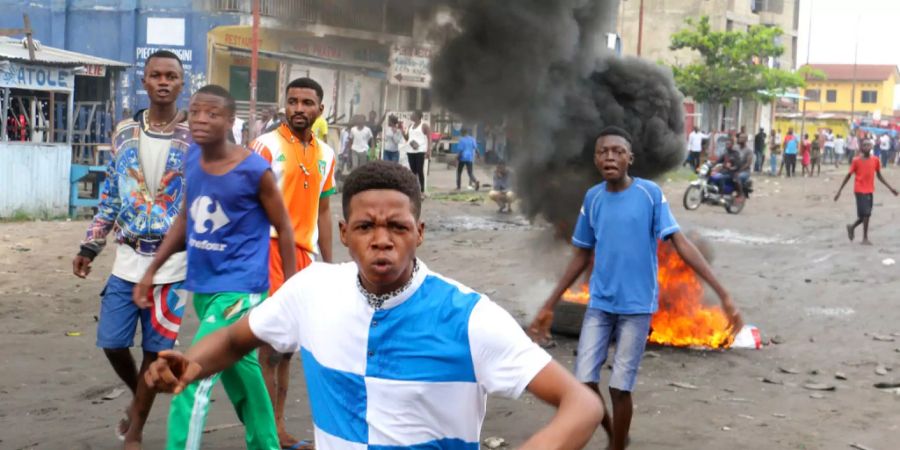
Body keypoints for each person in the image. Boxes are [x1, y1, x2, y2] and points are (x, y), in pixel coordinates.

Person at [144, 161, 604, 450]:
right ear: (343, 234)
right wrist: (191, 365)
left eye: (397, 227)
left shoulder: (468, 317)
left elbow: (582, 405)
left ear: (419, 233)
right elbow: (233, 337)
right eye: (365, 227)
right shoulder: (313, 290)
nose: (381, 240)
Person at [527, 127, 741, 450]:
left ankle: (615, 447)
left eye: (617, 151)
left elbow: (680, 243)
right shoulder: (593, 198)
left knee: (619, 388)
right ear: (596, 159)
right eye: (603, 152)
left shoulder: (649, 195)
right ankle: (617, 435)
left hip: (637, 308)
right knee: (584, 382)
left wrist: (723, 293)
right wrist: (550, 303)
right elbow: (581, 255)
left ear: (630, 158)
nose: (610, 157)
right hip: (600, 305)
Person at [134, 85, 297, 450]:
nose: (202, 120)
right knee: (244, 373)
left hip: (241, 288)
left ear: (230, 121)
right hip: (205, 287)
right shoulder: (192, 159)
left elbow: (284, 227)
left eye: (213, 113)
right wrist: (152, 270)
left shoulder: (254, 169)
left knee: (190, 376)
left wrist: (291, 286)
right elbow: (185, 220)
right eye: (196, 112)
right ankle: (267, 445)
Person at [71, 50, 191, 450]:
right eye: (155, 75)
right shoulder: (124, 131)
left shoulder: (195, 136)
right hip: (127, 258)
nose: (162, 81)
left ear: (181, 83)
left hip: (173, 265)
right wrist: (91, 243)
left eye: (170, 76)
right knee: (112, 341)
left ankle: (135, 430)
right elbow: (111, 193)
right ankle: (142, 394)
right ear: (143, 81)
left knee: (156, 352)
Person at [249, 77, 337, 449]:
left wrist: (330, 267)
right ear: (285, 104)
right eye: (293, 101)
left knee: (287, 350)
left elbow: (325, 211)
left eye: (307, 102)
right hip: (268, 251)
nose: (299, 108)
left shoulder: (327, 154)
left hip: (305, 257)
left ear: (320, 109)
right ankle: (271, 434)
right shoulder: (265, 146)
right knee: (269, 345)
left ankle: (278, 427)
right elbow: (245, 199)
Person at [834, 139, 899, 246]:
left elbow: (879, 175)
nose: (867, 147)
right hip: (859, 190)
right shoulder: (856, 161)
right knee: (866, 215)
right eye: (864, 145)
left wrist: (891, 188)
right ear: (861, 148)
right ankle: (865, 238)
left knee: (864, 215)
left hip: (869, 190)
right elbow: (848, 175)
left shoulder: (875, 160)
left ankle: (851, 227)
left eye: (869, 145)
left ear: (872, 147)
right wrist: (839, 191)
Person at [403, 110, 431, 193]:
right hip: (410, 150)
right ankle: (414, 189)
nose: (411, 116)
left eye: (413, 114)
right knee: (413, 171)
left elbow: (429, 138)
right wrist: (402, 132)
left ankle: (422, 190)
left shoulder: (424, 125)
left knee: (419, 170)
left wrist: (428, 150)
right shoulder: (410, 126)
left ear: (418, 116)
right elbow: (407, 138)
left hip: (420, 150)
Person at [736, 132, 753, 200]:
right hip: (734, 169)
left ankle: (740, 193)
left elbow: (748, 164)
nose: (740, 139)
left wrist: (739, 170)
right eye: (740, 137)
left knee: (737, 177)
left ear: (746, 140)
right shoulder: (735, 148)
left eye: (742, 138)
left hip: (744, 171)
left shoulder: (749, 151)